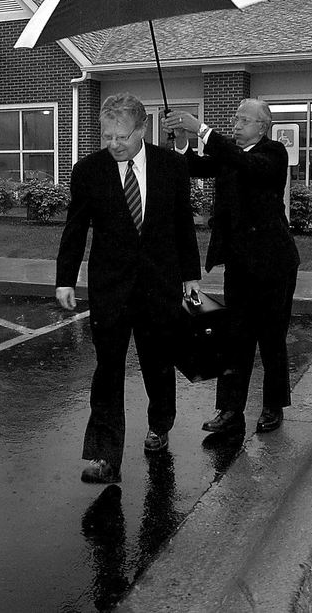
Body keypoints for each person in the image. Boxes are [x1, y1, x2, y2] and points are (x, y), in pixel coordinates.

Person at [56, 92, 201, 484]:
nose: (114, 144)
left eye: (122, 136)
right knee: (107, 371)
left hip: (160, 285)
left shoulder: (170, 165)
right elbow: (75, 229)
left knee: (158, 362)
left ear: (141, 129)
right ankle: (105, 455)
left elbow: (182, 224)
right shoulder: (88, 171)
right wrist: (65, 279)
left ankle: (160, 424)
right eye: (107, 136)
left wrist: (191, 276)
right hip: (111, 289)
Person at [163, 99, 300, 435]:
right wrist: (183, 138)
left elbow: (244, 163)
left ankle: (272, 406)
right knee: (235, 340)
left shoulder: (273, 153)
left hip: (274, 265)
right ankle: (229, 410)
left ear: (262, 126)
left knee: (271, 339)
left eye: (243, 120)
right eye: (235, 119)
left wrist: (201, 129)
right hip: (239, 265)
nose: (236, 125)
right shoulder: (228, 157)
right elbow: (190, 167)